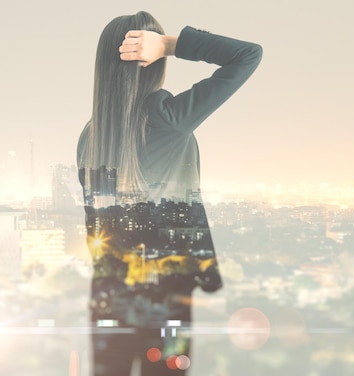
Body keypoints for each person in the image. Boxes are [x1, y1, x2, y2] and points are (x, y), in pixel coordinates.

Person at [76, 11, 262, 376]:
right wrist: (170, 45)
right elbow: (248, 54)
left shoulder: (90, 136)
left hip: (108, 293)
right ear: (152, 63)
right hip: (166, 296)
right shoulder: (168, 119)